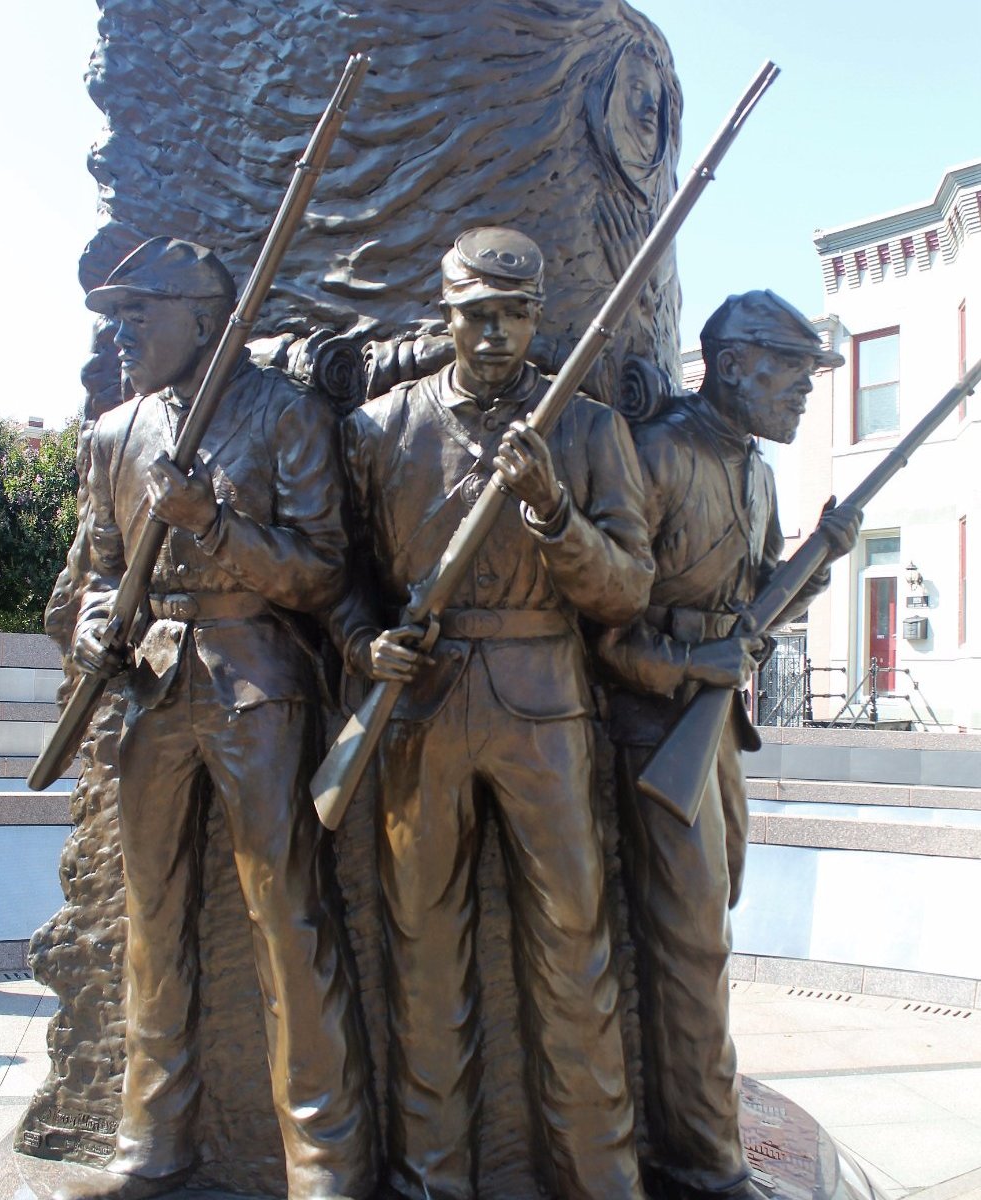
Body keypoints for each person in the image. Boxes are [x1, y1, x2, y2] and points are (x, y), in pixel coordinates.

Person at [331, 227, 653, 1200]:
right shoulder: (380, 430)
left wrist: (555, 515)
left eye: (516, 316)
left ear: (536, 318)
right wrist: (363, 644)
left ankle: (597, 1180)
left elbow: (628, 588)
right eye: (479, 315)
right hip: (421, 715)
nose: (499, 335)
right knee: (425, 962)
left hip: (545, 711)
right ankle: (434, 1181)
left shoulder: (589, 433)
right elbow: (340, 578)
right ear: (448, 315)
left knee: (574, 952)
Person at [56, 237, 376, 1200]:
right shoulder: (114, 434)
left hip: (258, 685)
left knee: (287, 917)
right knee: (153, 920)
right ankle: (150, 1147)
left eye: (137, 314)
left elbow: (323, 571)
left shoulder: (285, 417)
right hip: (154, 694)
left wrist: (211, 526)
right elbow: (96, 572)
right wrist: (92, 627)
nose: (120, 334)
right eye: (115, 316)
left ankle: (325, 1165)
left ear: (202, 320)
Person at [597, 290, 862, 1200]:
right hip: (653, 727)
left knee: (712, 919)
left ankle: (692, 1124)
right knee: (690, 945)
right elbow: (602, 626)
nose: (803, 395)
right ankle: (707, 1160)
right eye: (793, 373)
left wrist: (816, 562)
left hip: (709, 732)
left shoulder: (754, 468)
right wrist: (688, 665)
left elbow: (758, 600)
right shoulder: (661, 453)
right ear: (737, 360)